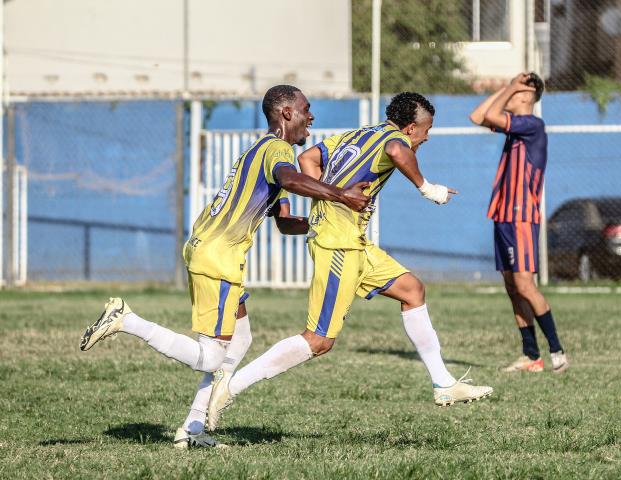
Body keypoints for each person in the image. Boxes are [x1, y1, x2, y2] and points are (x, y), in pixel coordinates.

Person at [78, 85, 370, 448]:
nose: (312, 117)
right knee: (210, 356)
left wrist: (325, 221)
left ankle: (192, 431)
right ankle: (127, 320)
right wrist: (342, 194)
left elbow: (283, 221)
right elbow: (291, 180)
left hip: (212, 250)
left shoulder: (263, 150)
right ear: (286, 113)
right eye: (306, 109)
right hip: (218, 257)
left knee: (241, 338)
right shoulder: (277, 149)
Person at [206, 92, 493, 431]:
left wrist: (331, 194)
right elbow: (396, 151)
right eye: (425, 131)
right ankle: (229, 386)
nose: (426, 137)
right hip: (338, 245)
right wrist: (427, 188)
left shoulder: (360, 133)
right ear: (411, 127)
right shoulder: (394, 140)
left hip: (353, 241)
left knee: (412, 290)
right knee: (319, 340)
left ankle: (443, 383)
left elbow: (310, 157)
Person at [469, 72, 569, 373]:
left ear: (526, 96)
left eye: (515, 92)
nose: (509, 95)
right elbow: (477, 116)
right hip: (502, 215)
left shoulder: (532, 125)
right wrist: (506, 87)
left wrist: (511, 87)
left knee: (525, 285)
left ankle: (557, 351)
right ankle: (531, 356)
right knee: (512, 287)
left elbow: (489, 114)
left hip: (521, 216)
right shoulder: (515, 129)